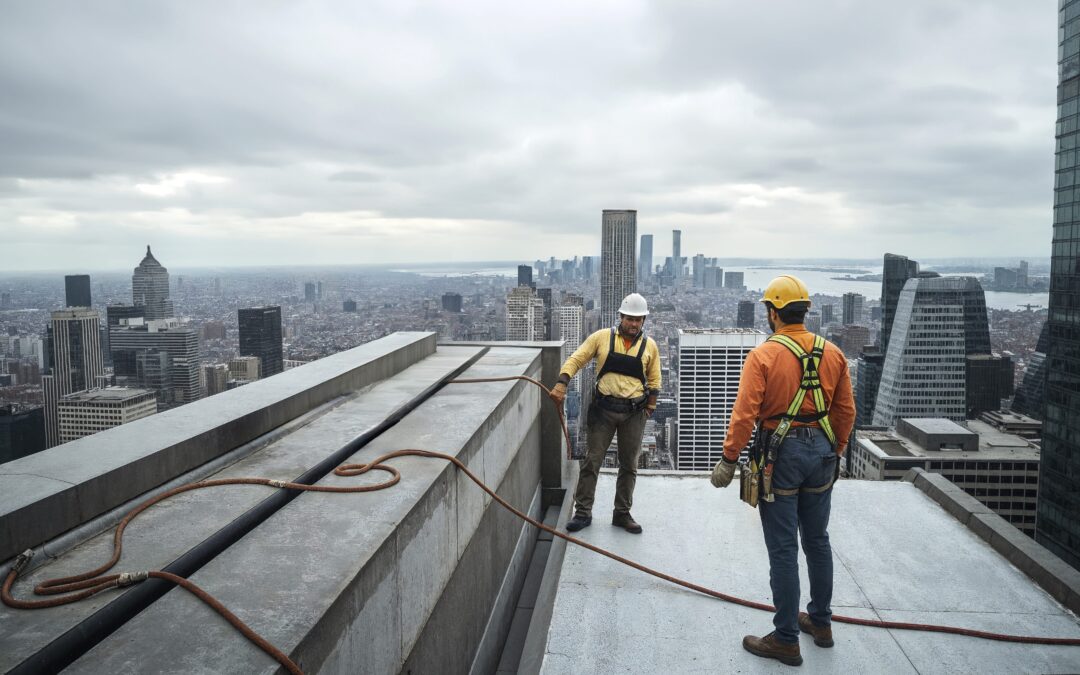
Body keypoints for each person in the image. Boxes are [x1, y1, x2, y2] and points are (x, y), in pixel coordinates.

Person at [710, 275, 856, 667]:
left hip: (781, 454)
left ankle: (787, 638)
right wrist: (836, 449)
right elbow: (846, 411)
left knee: (784, 548)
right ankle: (821, 623)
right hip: (823, 451)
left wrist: (729, 459)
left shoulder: (764, 356)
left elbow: (745, 415)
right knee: (818, 540)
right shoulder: (833, 353)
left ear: (774, 313)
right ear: (804, 311)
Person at [549, 292, 661, 534]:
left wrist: (649, 408)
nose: (633, 324)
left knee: (629, 465)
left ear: (643, 321)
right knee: (592, 461)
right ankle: (583, 512)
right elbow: (577, 359)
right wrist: (562, 382)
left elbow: (654, 380)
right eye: (629, 318)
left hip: (634, 412)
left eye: (638, 319)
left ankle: (622, 513)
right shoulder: (602, 338)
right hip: (603, 411)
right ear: (621, 317)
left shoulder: (649, 346)